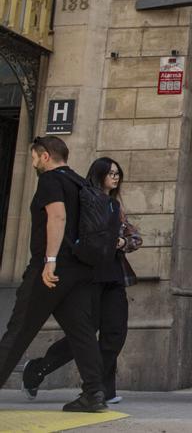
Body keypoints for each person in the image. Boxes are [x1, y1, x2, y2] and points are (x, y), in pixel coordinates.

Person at [0, 136, 107, 412]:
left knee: (20, 328)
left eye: (35, 157)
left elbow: (57, 217)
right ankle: (94, 394)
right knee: (81, 332)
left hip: (51, 269)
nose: (33, 162)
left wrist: (49, 261)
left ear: (45, 156)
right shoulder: (80, 182)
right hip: (79, 270)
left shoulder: (50, 180)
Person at [23, 158, 142, 405]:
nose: (115, 177)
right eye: (111, 173)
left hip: (113, 277)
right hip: (89, 278)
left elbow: (135, 237)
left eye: (118, 173)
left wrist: (122, 242)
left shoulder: (114, 206)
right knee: (83, 336)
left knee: (115, 333)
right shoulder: (84, 199)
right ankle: (39, 368)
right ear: (98, 174)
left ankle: (101, 389)